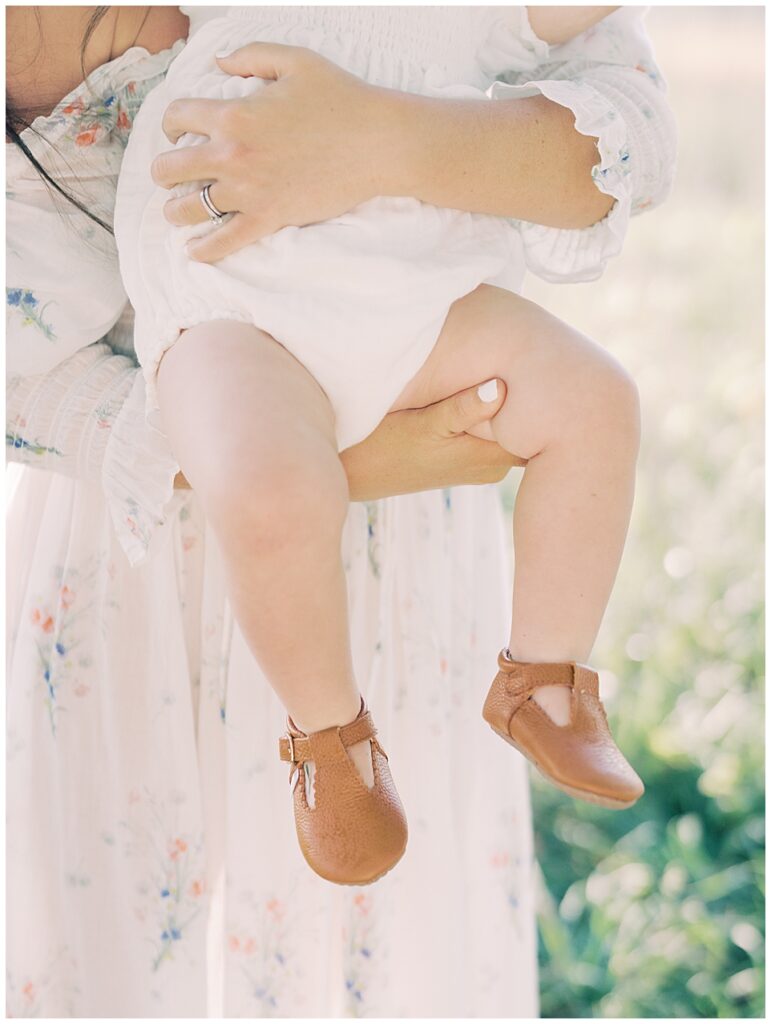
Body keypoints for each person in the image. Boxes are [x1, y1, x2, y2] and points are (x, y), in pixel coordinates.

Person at [6, 4, 677, 1015]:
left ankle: (544, 679)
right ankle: (331, 740)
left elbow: (621, 110)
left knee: (596, 399)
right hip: (161, 477)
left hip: (400, 333)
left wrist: (383, 138)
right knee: (120, 954)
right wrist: (353, 461)